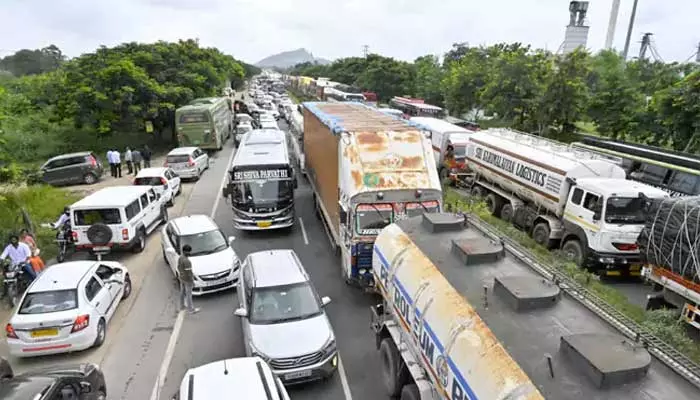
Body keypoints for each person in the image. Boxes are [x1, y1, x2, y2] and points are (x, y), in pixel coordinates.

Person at [177, 245, 200, 314]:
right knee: (189, 295)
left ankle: (182, 306)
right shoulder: (187, 261)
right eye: (189, 251)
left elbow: (178, 267)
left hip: (182, 278)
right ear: (185, 251)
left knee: (182, 292)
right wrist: (192, 281)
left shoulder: (180, 258)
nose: (190, 253)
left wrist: (181, 274)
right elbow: (189, 273)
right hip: (187, 280)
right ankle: (191, 309)